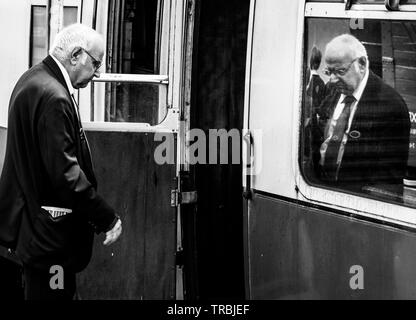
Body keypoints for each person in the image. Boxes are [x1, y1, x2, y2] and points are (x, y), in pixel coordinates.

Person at [0, 24, 122, 300]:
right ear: (76, 54)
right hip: (49, 238)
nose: (98, 72)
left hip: (31, 227)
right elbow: (66, 175)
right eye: (96, 63)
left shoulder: (32, 78)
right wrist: (107, 217)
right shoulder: (55, 97)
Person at [316, 34, 410, 187]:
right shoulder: (332, 91)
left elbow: (387, 180)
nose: (332, 79)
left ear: (361, 64)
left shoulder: (391, 106)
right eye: (329, 72)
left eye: (340, 71)